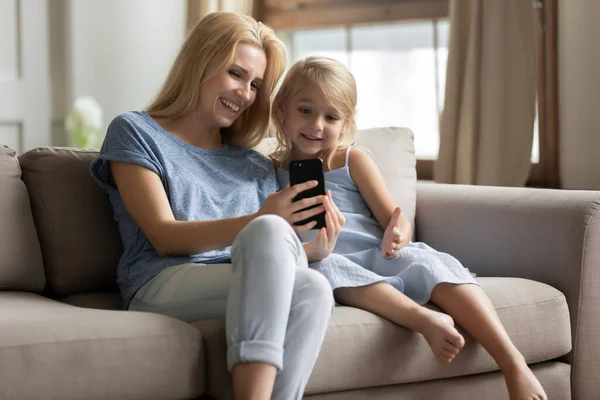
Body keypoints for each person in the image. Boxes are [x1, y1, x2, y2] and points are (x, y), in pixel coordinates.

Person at [90, 13, 345, 400]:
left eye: (256, 84)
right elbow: (163, 235)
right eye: (236, 74)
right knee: (270, 231)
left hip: (243, 277)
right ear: (200, 63)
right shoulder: (136, 131)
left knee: (314, 287)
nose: (245, 93)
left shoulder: (253, 162)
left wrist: (313, 250)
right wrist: (263, 220)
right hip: (162, 280)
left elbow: (266, 257)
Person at [271, 56, 547, 400]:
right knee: (324, 268)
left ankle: (513, 363)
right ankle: (422, 319)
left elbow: (394, 216)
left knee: (427, 262)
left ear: (345, 124)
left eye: (331, 117)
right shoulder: (270, 170)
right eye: (306, 111)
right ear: (283, 110)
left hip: (377, 252)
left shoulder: (351, 160)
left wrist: (398, 232)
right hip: (327, 259)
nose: (317, 125)